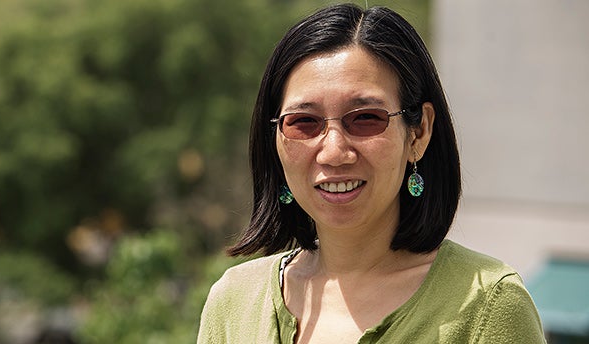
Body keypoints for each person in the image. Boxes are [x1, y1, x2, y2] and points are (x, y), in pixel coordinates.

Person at [197, 3, 545, 343]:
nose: (334, 152)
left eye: (365, 118)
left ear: (419, 132)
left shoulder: (487, 305)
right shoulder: (235, 302)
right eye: (304, 122)